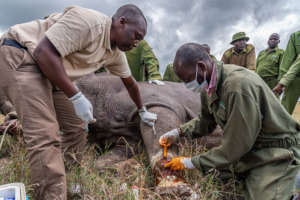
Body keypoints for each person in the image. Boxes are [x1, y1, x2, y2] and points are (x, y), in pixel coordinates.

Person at [0, 4, 157, 200]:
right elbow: (44, 52)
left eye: (140, 40)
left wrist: (142, 110)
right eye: (136, 36)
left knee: (77, 126)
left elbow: (131, 84)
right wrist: (76, 96)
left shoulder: (114, 53)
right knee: (45, 134)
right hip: (23, 55)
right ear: (121, 22)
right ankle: (52, 195)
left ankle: (65, 180)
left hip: (50, 70)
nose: (136, 43)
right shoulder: (89, 22)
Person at [159, 42, 300, 200]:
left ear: (201, 67)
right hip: (248, 150)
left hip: (275, 152)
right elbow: (205, 122)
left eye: (188, 79)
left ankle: (292, 184)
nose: (187, 85)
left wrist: (191, 162)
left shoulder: (237, 86)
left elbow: (235, 146)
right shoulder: (209, 87)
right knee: (214, 175)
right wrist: (178, 132)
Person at [273, 31, 300, 114]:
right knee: (285, 112)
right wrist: (281, 80)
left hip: (290, 75)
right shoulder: (295, 36)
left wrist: (282, 83)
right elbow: (288, 59)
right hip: (294, 77)